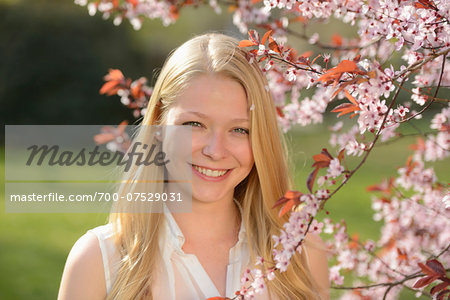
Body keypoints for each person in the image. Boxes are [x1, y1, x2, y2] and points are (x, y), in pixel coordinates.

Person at [58, 33, 329, 300]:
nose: (215, 151)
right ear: (159, 125)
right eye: (194, 125)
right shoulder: (98, 260)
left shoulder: (299, 253)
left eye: (239, 129)